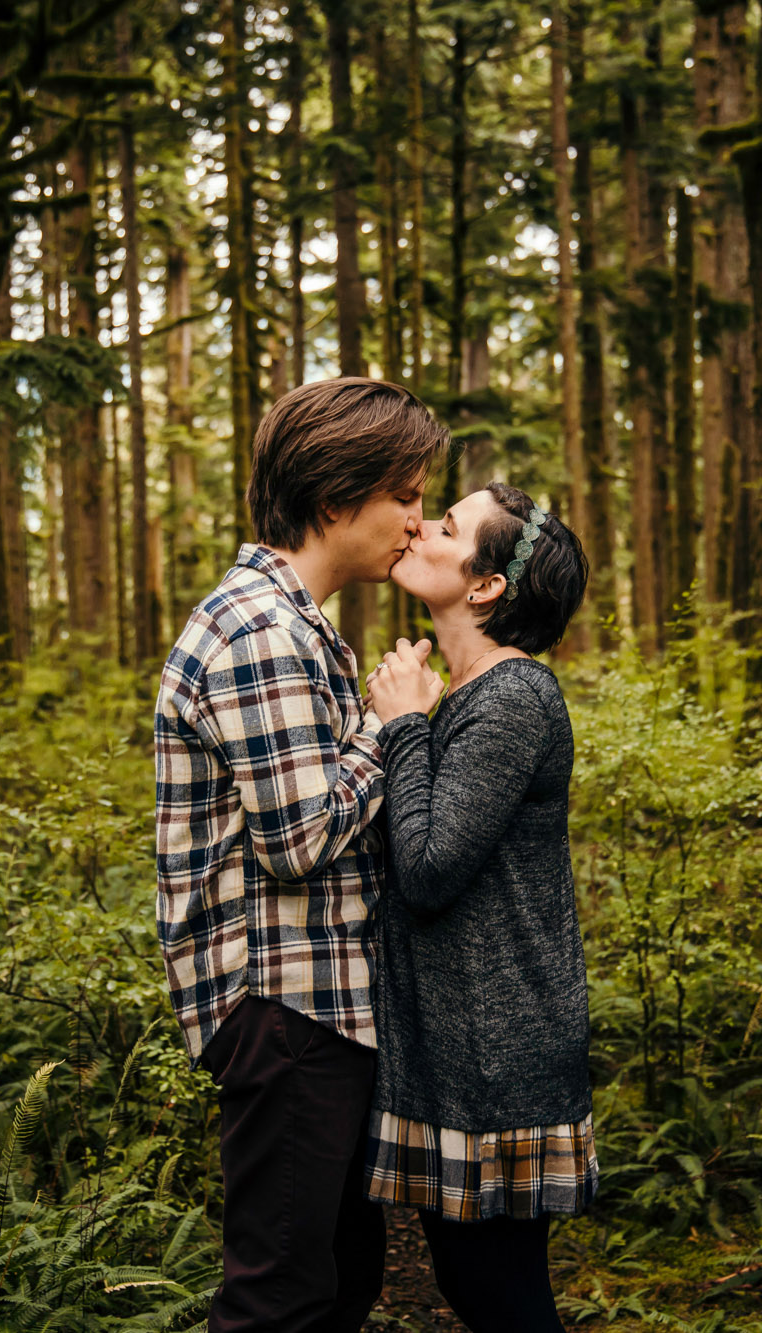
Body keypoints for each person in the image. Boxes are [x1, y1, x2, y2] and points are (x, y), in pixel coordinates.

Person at [154, 377, 447, 1333]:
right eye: (403, 495)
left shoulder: (294, 619)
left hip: (317, 1005)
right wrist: (391, 725)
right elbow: (299, 839)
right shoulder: (260, 628)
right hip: (284, 1009)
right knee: (279, 1298)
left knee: (340, 1278)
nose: (418, 518)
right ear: (335, 499)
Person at [361, 482, 595, 1333]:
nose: (420, 526)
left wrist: (402, 727)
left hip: (498, 1053)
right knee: (477, 1286)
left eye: (447, 525)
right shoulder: (469, 692)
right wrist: (416, 718)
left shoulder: (514, 699)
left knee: (499, 1297)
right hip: (457, 1044)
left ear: (486, 583)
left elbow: (426, 868)